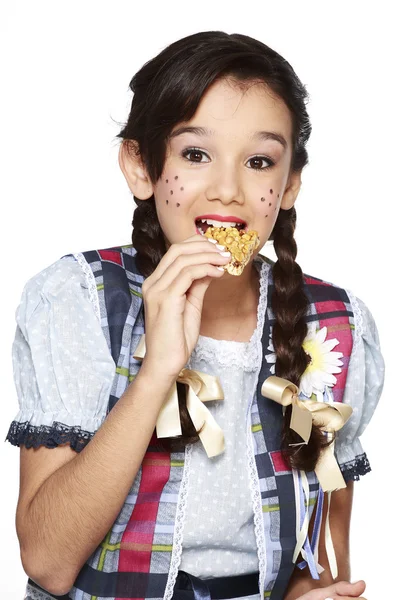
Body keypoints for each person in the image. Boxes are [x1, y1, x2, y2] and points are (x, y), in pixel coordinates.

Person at [5, 31, 384, 600]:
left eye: (259, 161)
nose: (228, 190)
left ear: (289, 185)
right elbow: (48, 560)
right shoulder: (78, 301)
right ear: (140, 166)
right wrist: (158, 369)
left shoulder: (330, 327)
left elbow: (322, 552)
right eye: (195, 154)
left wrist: (313, 591)